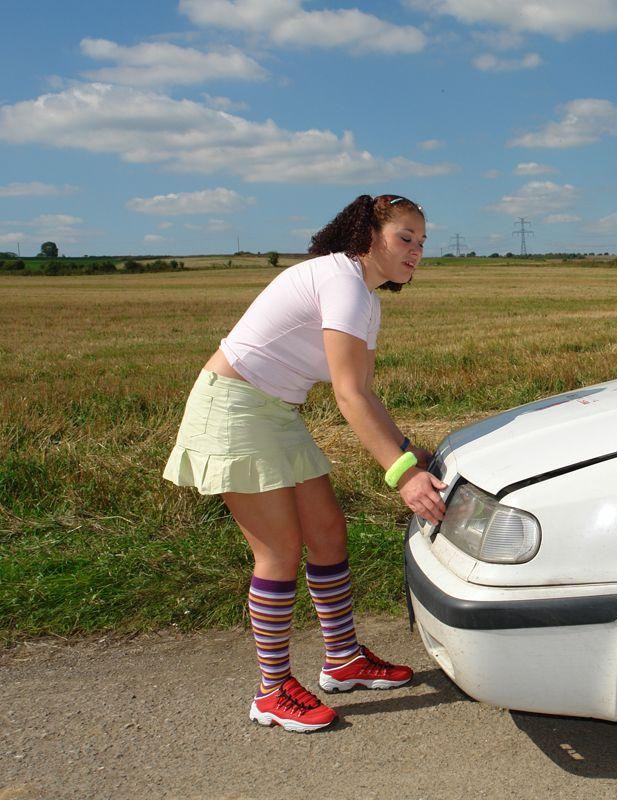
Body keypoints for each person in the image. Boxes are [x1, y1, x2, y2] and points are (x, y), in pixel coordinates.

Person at [163, 194, 447, 733]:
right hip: (235, 407)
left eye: (422, 243)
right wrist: (404, 475)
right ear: (369, 234)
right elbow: (347, 396)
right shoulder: (340, 279)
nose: (416, 252)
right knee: (279, 550)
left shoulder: (366, 297)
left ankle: (341, 659)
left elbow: (363, 390)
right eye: (405, 238)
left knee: (329, 532)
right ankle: (271, 691)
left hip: (275, 411)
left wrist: (407, 450)